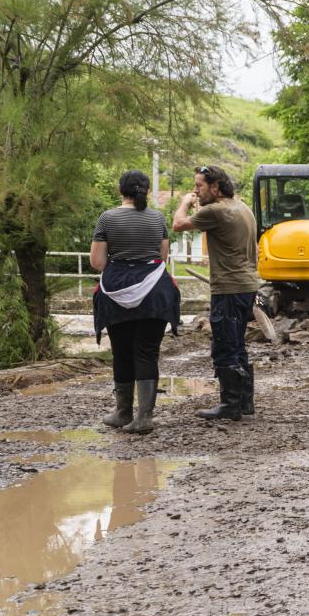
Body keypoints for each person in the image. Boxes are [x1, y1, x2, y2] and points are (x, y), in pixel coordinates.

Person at [91, 170, 181, 434]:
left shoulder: (107, 218)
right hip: (155, 293)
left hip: (116, 292)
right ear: (146, 192)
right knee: (147, 351)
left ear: (121, 191)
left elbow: (97, 262)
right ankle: (144, 418)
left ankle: (122, 412)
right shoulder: (157, 218)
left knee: (122, 351)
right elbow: (160, 257)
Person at [172, 165, 260, 420]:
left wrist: (184, 202)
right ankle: (244, 402)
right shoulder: (241, 208)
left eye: (199, 186)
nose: (195, 191)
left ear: (215, 186)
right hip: (246, 286)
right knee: (238, 344)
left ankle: (229, 405)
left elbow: (178, 224)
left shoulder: (217, 211)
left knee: (224, 345)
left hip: (228, 288)